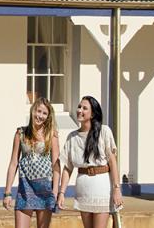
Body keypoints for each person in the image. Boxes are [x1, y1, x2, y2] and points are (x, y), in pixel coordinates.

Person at [4, 97, 62, 228]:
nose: (40, 116)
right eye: (38, 111)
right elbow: (13, 163)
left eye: (44, 113)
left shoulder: (51, 135)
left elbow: (56, 165)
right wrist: (7, 192)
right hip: (25, 188)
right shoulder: (20, 133)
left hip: (45, 189)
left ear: (48, 117)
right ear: (32, 111)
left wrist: (55, 192)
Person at [63, 96, 121, 227]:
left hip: (102, 188)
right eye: (79, 107)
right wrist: (62, 193)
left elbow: (112, 162)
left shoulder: (104, 131)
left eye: (84, 108)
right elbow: (68, 167)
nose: (80, 110)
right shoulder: (72, 137)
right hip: (83, 189)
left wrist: (117, 189)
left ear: (93, 113)